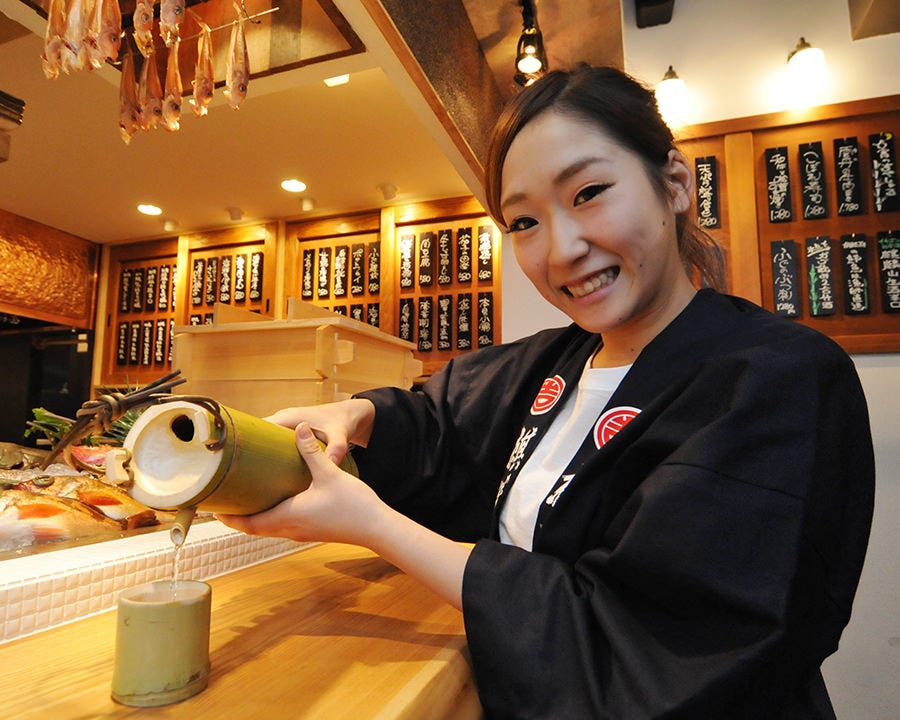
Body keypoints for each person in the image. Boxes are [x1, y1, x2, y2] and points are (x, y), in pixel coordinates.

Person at [217, 66, 875, 718]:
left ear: (675, 183)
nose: (561, 250)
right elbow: (439, 430)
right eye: (524, 222)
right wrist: (353, 413)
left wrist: (374, 527)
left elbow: (653, 653)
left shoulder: (779, 380)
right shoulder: (551, 363)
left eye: (589, 192)